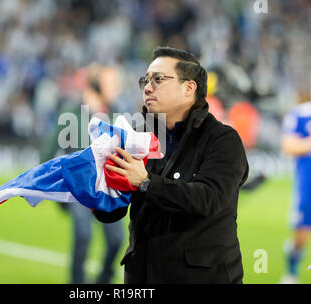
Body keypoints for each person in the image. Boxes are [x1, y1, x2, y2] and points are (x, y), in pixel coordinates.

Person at [92, 46, 249, 284]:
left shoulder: (222, 140)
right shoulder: (136, 134)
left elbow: (209, 199)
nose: (147, 87)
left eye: (158, 79)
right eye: (145, 80)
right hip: (142, 275)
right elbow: (113, 213)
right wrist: (101, 188)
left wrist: (145, 182)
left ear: (189, 88)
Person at [40, 65, 124, 284]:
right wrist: (43, 184)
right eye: (112, 83)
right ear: (97, 85)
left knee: (116, 240)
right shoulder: (72, 111)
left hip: (108, 189)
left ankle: (103, 281)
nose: (117, 87)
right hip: (79, 186)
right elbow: (49, 147)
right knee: (83, 236)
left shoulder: (116, 113)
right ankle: (77, 285)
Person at [280, 94, 311, 284]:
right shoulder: (302, 113)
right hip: (307, 183)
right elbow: (288, 146)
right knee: (301, 237)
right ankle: (291, 271)